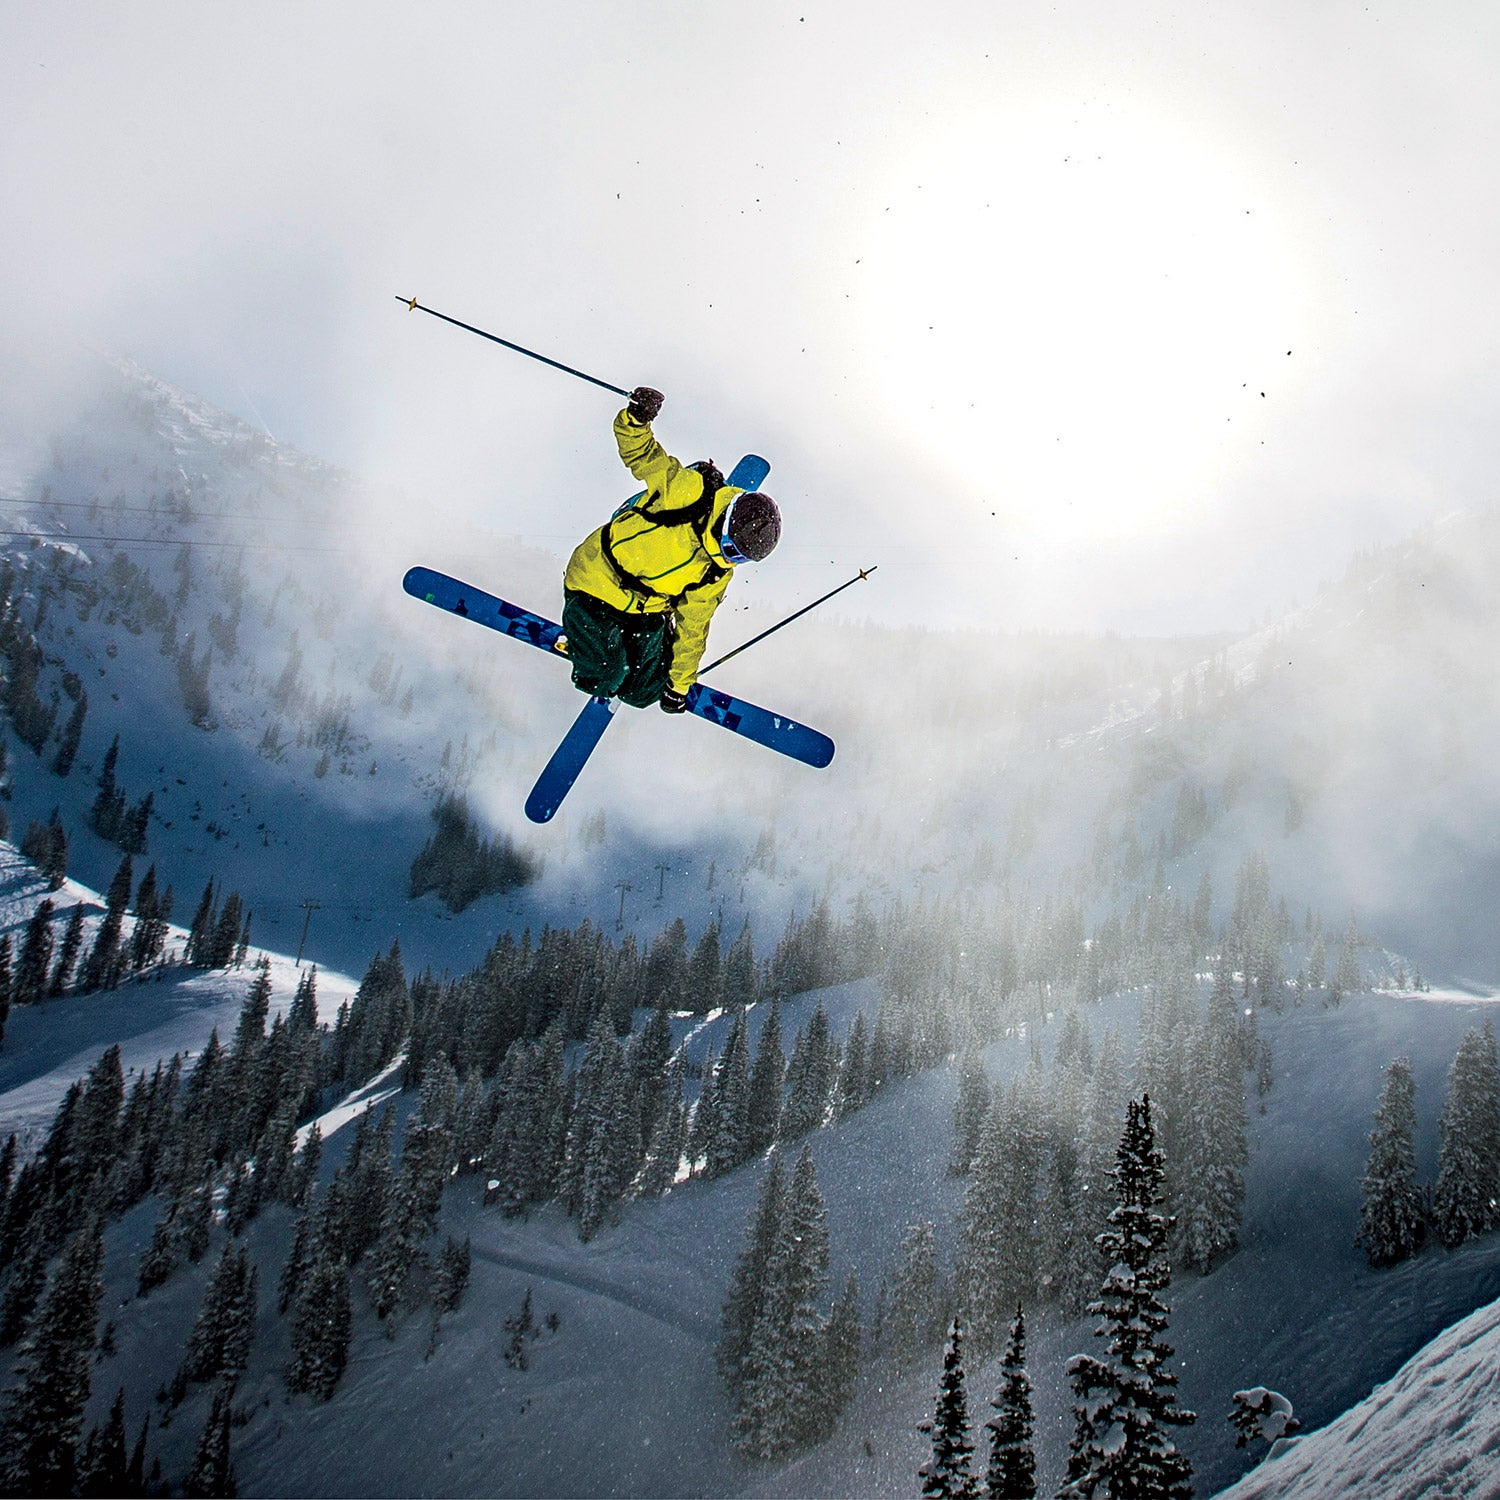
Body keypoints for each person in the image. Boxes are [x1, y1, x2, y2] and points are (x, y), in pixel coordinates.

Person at [561, 386, 781, 712]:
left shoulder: (717, 571)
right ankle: (593, 654)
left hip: (645, 611)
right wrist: (637, 418)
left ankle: (634, 659)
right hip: (598, 585)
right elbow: (643, 454)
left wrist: (679, 685)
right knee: (606, 676)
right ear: (728, 520)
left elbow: (694, 627)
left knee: (644, 692)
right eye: (731, 549)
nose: (728, 558)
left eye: (740, 559)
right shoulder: (690, 492)